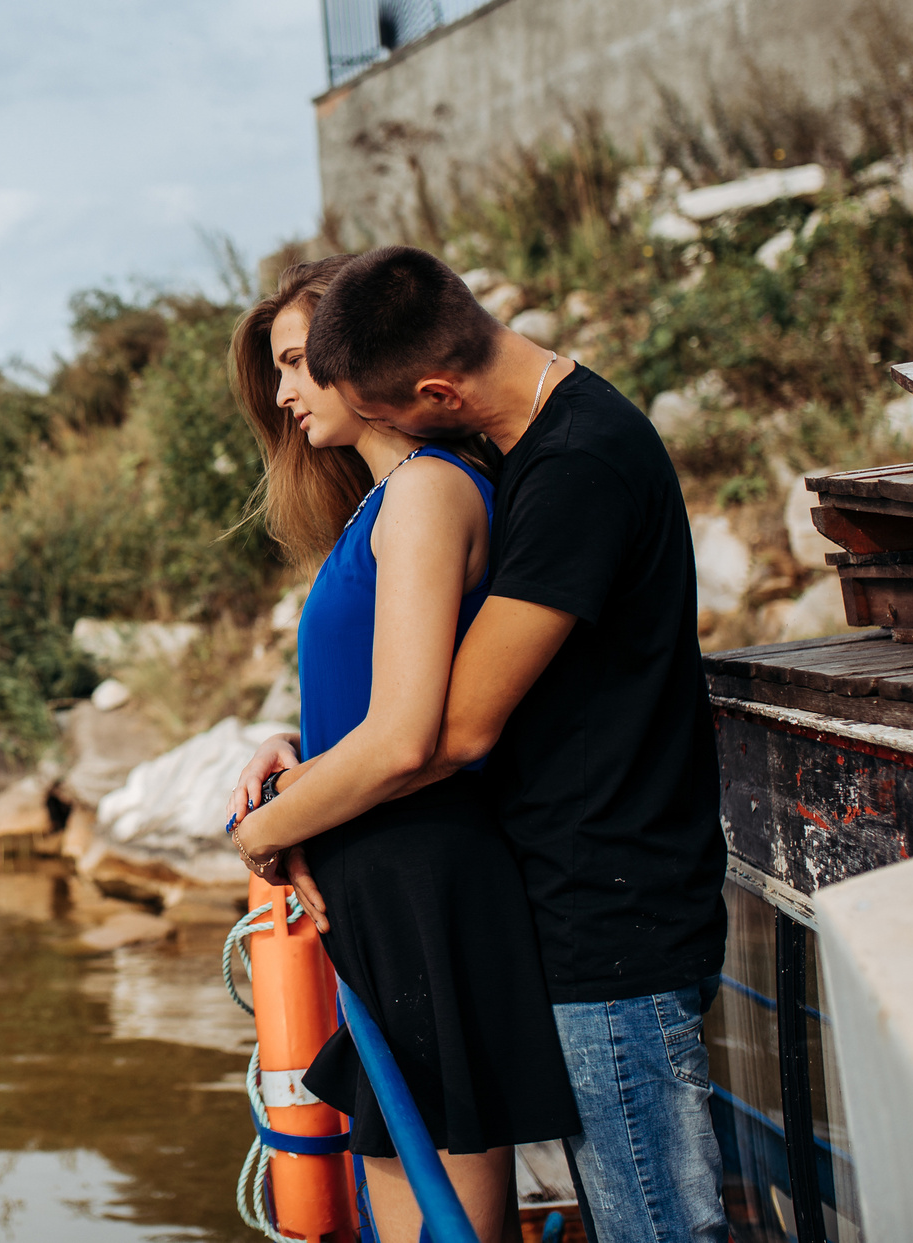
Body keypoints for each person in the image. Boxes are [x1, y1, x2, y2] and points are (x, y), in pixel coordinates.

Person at [285, 243, 731, 1243]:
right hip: (577, 901)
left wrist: (272, 824)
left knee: (655, 1228)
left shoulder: (576, 468)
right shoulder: (546, 447)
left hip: (613, 915)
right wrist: (294, 751)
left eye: (393, 414)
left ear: (437, 388)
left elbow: (443, 729)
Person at [222, 256, 579, 1243]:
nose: (287, 391)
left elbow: (404, 737)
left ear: (362, 358)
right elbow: (376, 699)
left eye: (299, 362)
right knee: (404, 1193)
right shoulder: (379, 509)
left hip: (424, 883)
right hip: (379, 893)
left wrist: (262, 832)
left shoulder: (426, 492)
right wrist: (287, 745)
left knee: (447, 1216)